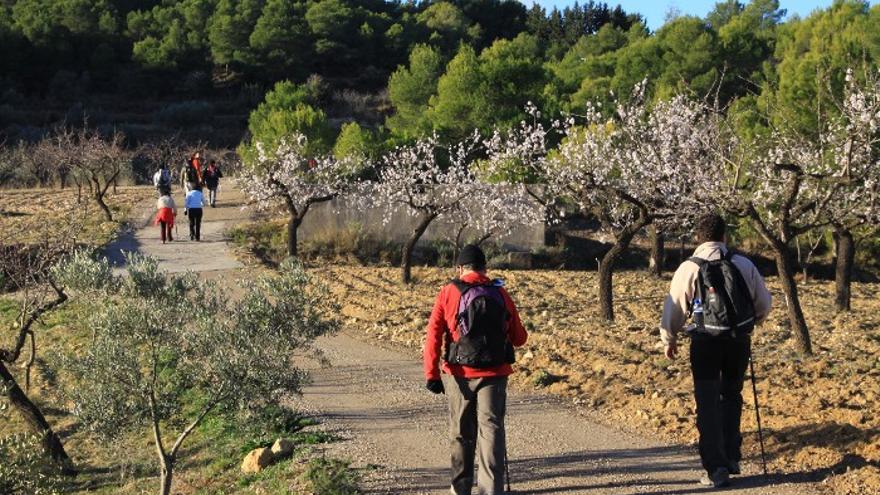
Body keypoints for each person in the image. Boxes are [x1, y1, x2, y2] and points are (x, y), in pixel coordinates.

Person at [660, 213, 772, 488]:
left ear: (698, 237)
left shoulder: (689, 267)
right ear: (724, 236)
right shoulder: (743, 263)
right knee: (732, 395)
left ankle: (716, 467)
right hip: (738, 341)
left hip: (705, 343)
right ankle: (732, 456)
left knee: (707, 403)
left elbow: (674, 306)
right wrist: (751, 323)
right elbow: (764, 303)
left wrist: (669, 338)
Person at [424, 244, 528, 495]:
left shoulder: (448, 291)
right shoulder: (499, 292)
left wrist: (432, 373)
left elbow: (433, 333)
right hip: (495, 373)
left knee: (461, 433)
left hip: (458, 373)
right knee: (491, 430)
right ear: (484, 268)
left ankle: (460, 489)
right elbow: (519, 338)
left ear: (460, 268)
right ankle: (491, 490)